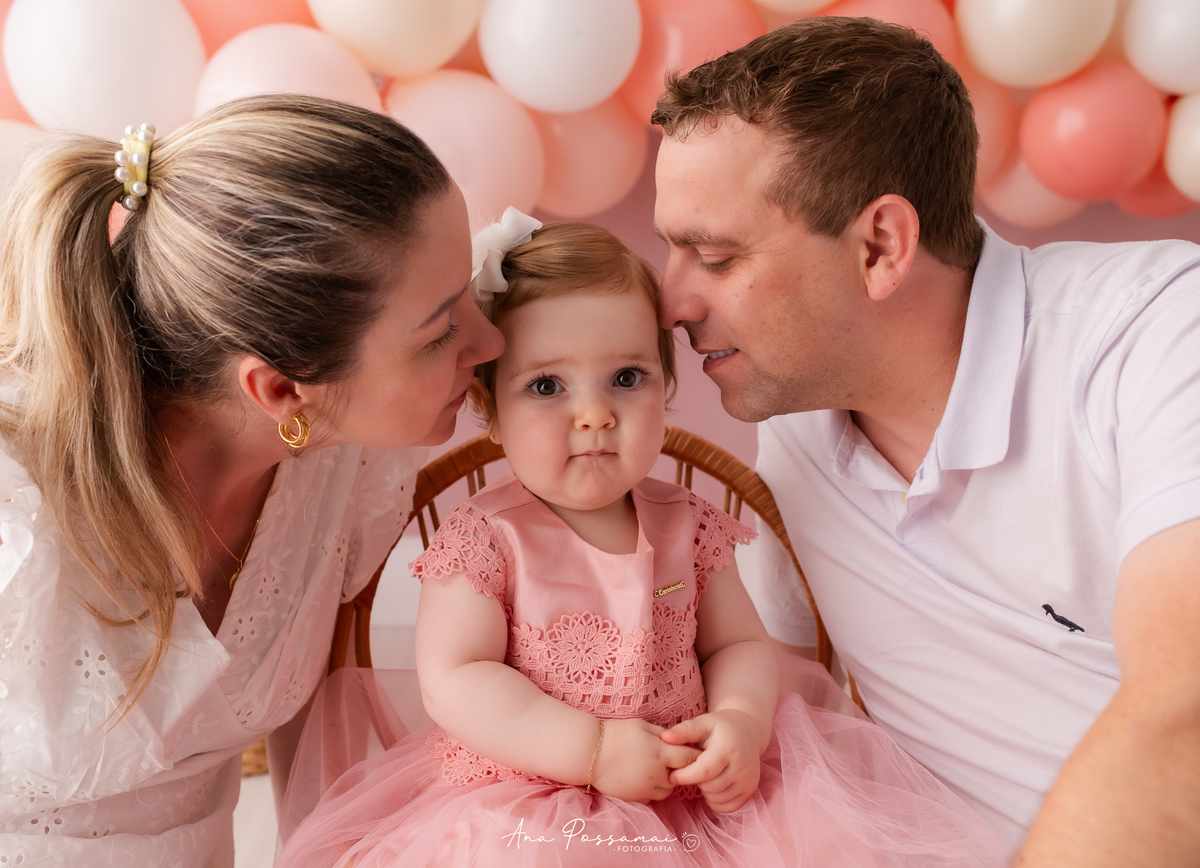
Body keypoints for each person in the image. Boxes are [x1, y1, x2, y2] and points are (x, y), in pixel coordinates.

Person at [275, 216, 1009, 867]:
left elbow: (738, 647)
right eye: (546, 387)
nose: (593, 414)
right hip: (534, 792)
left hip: (691, 786)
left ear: (666, 386)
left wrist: (740, 724)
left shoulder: (688, 521)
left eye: (626, 377)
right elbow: (456, 679)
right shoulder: (485, 537)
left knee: (833, 844)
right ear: (488, 405)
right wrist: (591, 751)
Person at [651, 15, 1200, 867]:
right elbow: (790, 713)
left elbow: (1186, 711)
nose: (671, 302)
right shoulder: (799, 434)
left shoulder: (1157, 334)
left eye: (714, 257)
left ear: (880, 246)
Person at [0, 94, 502, 866]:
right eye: (441, 333)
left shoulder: (349, 454)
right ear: (279, 391)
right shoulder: (16, 510)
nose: (489, 339)